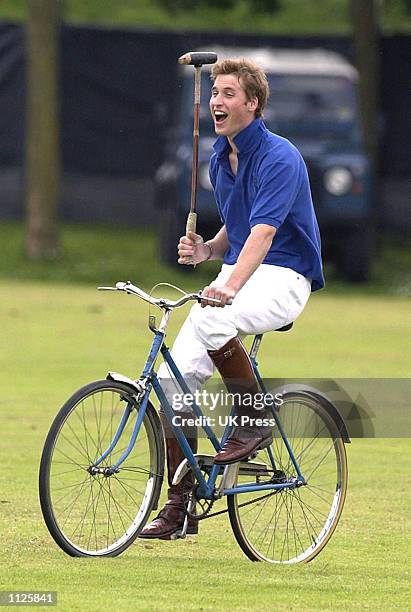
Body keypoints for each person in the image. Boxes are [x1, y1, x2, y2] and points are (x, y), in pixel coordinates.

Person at [139, 57, 324, 540]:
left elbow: (263, 233)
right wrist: (209, 250)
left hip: (284, 277)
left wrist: (229, 285)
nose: (217, 102)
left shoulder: (281, 157)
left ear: (252, 103)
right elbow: (239, 226)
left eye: (227, 94)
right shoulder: (221, 157)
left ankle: (254, 419)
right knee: (169, 384)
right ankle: (180, 509)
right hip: (240, 271)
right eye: (214, 93)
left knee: (215, 320)